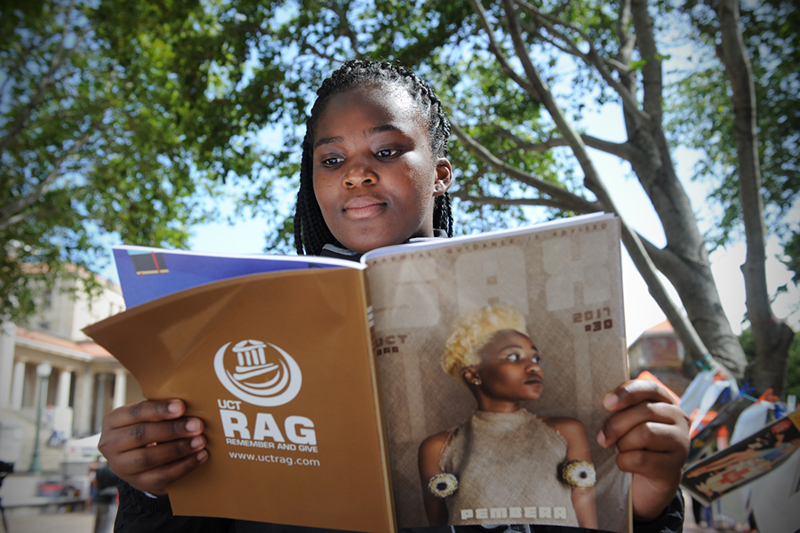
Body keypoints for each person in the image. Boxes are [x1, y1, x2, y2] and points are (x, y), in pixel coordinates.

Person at [99, 59, 690, 533]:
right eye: (332, 159)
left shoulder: (511, 342)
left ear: (441, 173)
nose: (356, 173)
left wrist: (649, 503)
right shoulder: (238, 311)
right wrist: (151, 483)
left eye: (386, 151)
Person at [419, 304, 597, 528]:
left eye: (536, 358)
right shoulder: (438, 448)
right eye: (513, 356)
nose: (534, 368)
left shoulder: (565, 432)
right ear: (473, 373)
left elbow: (584, 509)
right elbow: (442, 527)